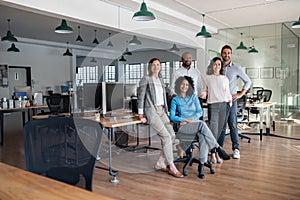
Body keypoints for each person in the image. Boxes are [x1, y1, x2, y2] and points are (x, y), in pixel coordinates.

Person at [170, 76, 230, 179]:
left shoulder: (193, 97)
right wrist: (185, 119)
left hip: (196, 124)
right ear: (178, 86)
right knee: (203, 124)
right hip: (184, 127)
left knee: (203, 135)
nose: (185, 86)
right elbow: (172, 117)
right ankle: (216, 147)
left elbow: (200, 112)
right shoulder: (175, 99)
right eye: (182, 84)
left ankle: (201, 165)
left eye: (187, 85)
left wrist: (192, 119)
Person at [137, 58, 184, 178]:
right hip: (151, 111)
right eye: (153, 65)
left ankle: (160, 162)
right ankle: (171, 166)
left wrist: (167, 112)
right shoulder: (146, 79)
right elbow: (141, 97)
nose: (156, 67)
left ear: (160, 67)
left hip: (162, 110)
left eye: (158, 65)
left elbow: (163, 97)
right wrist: (141, 114)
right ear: (149, 67)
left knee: (172, 135)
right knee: (166, 136)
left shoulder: (161, 79)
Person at [219, 45, 252, 159]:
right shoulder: (217, 67)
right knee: (221, 127)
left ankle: (236, 149)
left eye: (228, 53)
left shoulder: (236, 68)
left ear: (231, 54)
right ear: (221, 54)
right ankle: (219, 149)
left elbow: (248, 81)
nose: (226, 55)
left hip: (231, 102)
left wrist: (240, 94)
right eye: (224, 53)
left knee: (232, 124)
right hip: (219, 101)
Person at [201, 57, 232, 163]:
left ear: (221, 66)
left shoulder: (225, 78)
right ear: (211, 66)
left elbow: (227, 92)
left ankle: (219, 153)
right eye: (215, 64)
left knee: (222, 130)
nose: (217, 66)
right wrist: (203, 94)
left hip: (224, 104)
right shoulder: (207, 78)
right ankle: (213, 153)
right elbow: (204, 91)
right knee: (213, 131)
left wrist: (230, 101)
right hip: (213, 105)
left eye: (219, 64)